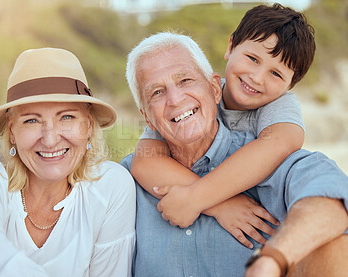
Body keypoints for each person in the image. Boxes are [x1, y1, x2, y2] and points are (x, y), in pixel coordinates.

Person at [121, 31, 348, 276]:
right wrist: (219, 203)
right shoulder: (124, 180)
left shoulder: (269, 155)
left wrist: (271, 261)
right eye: (157, 92)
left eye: (185, 80)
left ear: (214, 89)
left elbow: (333, 199)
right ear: (146, 116)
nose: (175, 99)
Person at [130, 4, 314, 248]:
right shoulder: (193, 97)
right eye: (252, 58)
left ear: (290, 86)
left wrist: (195, 198)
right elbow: (145, 162)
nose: (257, 77)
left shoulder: (278, 105)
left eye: (276, 74)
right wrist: (218, 204)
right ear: (230, 47)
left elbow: (281, 144)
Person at [0, 48, 136, 276]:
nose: (50, 140)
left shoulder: (111, 185)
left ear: (89, 126)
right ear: (12, 131)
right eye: (31, 120)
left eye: (67, 117)